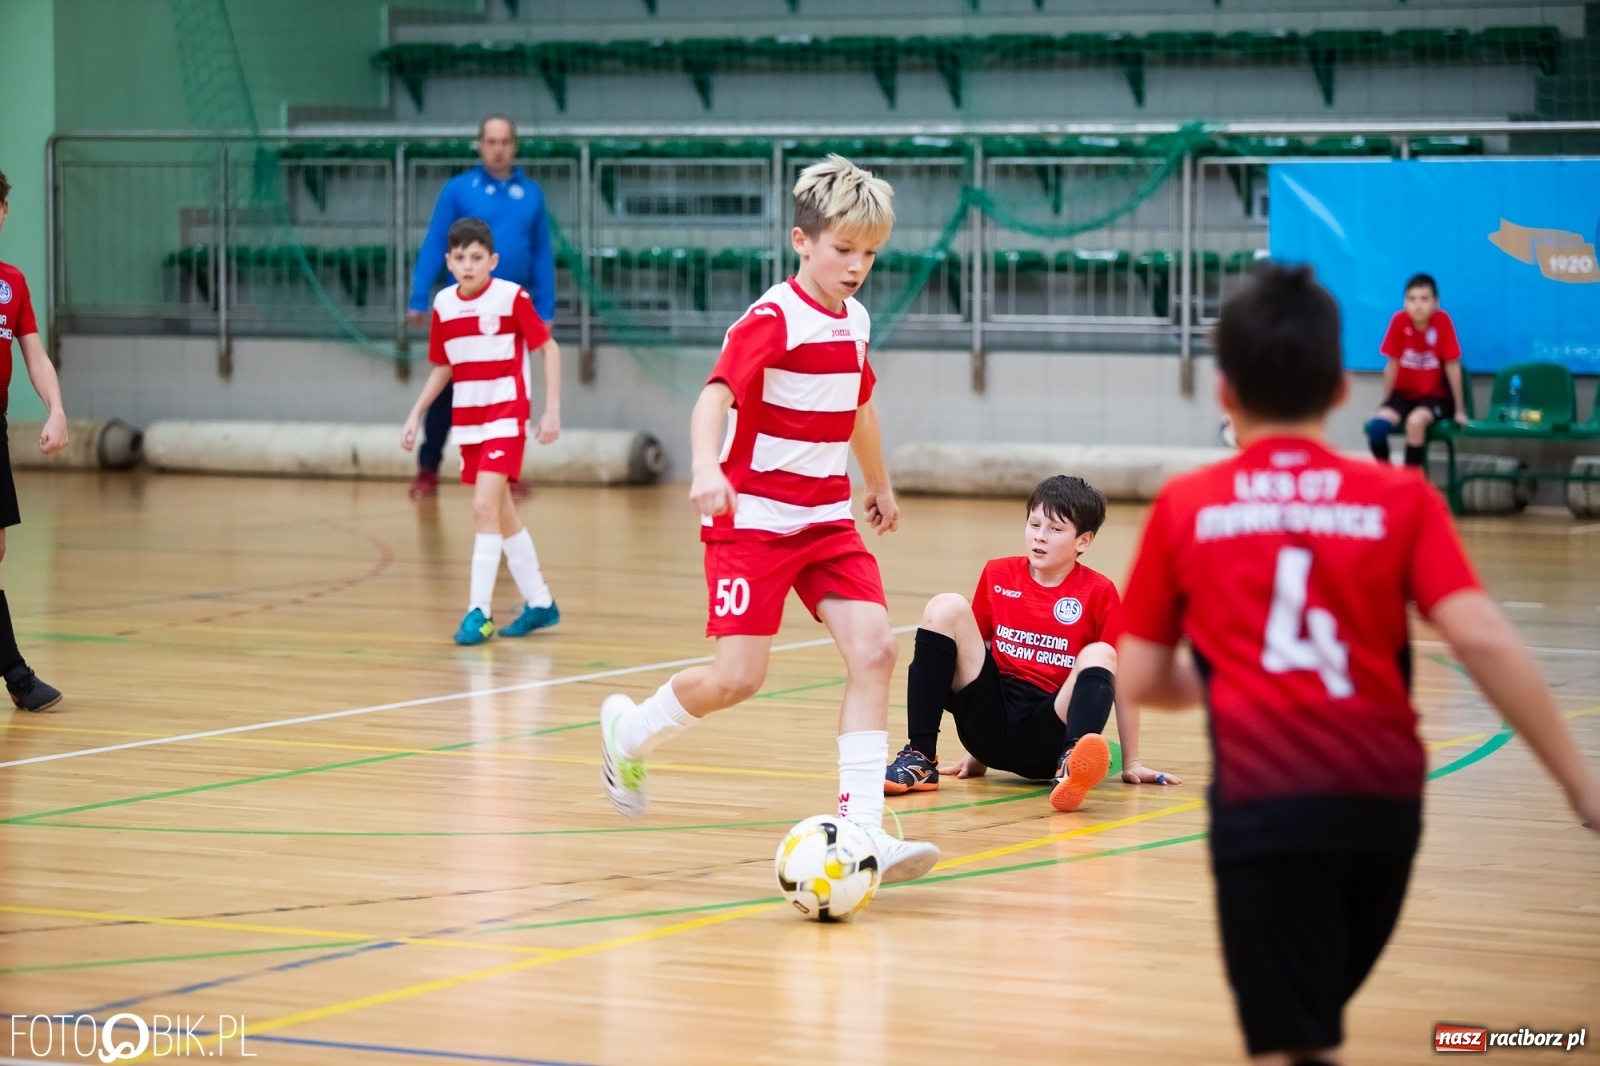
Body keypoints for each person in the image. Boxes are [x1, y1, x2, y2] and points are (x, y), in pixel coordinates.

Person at [1117, 264, 1600, 1066]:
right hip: (1383, 811)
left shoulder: (1188, 506)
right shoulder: (1401, 501)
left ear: (1224, 392)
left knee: (1293, 1042)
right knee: (1314, 1022)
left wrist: (1239, 672)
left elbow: (1138, 679)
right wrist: (1582, 787)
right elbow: (1483, 640)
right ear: (1342, 389)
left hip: (1265, 814)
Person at [595, 156, 940, 885]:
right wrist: (705, 467)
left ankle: (862, 831)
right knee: (738, 678)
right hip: (752, 521)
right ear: (801, 242)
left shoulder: (856, 320)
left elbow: (859, 406)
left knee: (876, 650)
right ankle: (629, 732)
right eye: (843, 249)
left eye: (870, 253)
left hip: (826, 521)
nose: (857, 266)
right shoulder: (771, 319)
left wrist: (878, 483)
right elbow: (713, 397)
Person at [884, 475, 1180, 812]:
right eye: (1034, 524)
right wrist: (978, 752)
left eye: (1055, 529)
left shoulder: (1099, 592)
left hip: (1048, 733)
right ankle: (920, 757)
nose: (1040, 536)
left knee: (1103, 653)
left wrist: (1132, 762)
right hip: (990, 724)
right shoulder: (997, 574)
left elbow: (1125, 684)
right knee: (946, 606)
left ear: (1083, 541)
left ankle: (1071, 764)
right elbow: (976, 659)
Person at [401, 218, 562, 645]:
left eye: (477, 257)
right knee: (501, 513)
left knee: (482, 507)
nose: (468, 265)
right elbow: (443, 365)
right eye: (460, 258)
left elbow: (549, 348)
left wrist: (551, 411)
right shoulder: (443, 304)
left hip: (506, 416)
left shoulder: (511, 297)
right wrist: (416, 413)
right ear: (448, 262)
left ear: (492, 260)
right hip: (468, 423)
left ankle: (479, 612)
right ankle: (541, 602)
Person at [407, 115, 556, 500]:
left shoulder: (532, 194)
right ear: (479, 144)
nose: (498, 149)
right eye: (491, 141)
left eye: (504, 141)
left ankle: (505, 468)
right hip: (466, 310)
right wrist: (419, 295)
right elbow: (435, 241)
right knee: (448, 389)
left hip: (510, 314)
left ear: (514, 145)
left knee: (509, 387)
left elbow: (542, 253)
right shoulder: (458, 190)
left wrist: (546, 308)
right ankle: (428, 468)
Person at [0, 169, 70, 710]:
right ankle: (17, 676)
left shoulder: (13, 283)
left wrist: (57, 410)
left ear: (3, 212)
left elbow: (36, 357)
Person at [1364, 273, 1467, 469]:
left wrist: (1460, 411)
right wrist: (1384, 403)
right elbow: (1392, 366)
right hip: (1402, 397)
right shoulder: (1398, 320)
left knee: (1415, 422)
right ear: (1405, 302)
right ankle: (1389, 477)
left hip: (1434, 398)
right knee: (1377, 428)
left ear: (1436, 302)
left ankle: (1409, 481)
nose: (1417, 305)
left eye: (1424, 299)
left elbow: (1452, 366)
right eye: (1411, 299)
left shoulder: (1443, 321)